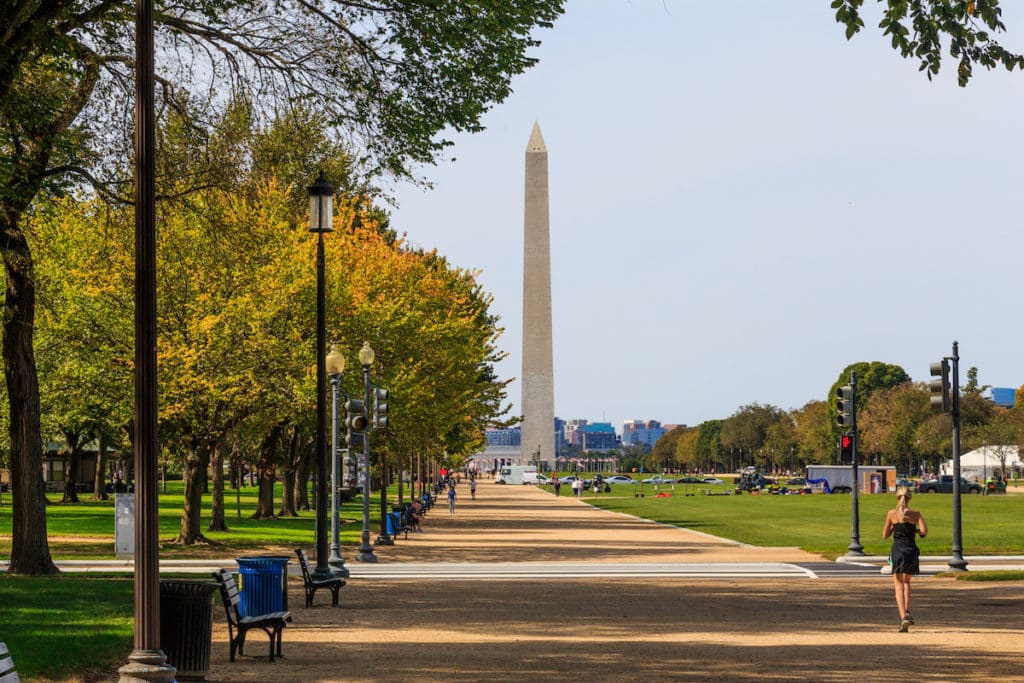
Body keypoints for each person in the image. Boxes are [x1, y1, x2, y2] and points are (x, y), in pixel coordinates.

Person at [883, 486, 927, 632]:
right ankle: (907, 611)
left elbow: (884, 535)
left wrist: (893, 528)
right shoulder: (915, 514)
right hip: (911, 550)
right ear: (910, 498)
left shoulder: (892, 514)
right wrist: (912, 529)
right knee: (907, 582)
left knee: (898, 585)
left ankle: (903, 617)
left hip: (898, 551)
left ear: (897, 497)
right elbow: (924, 532)